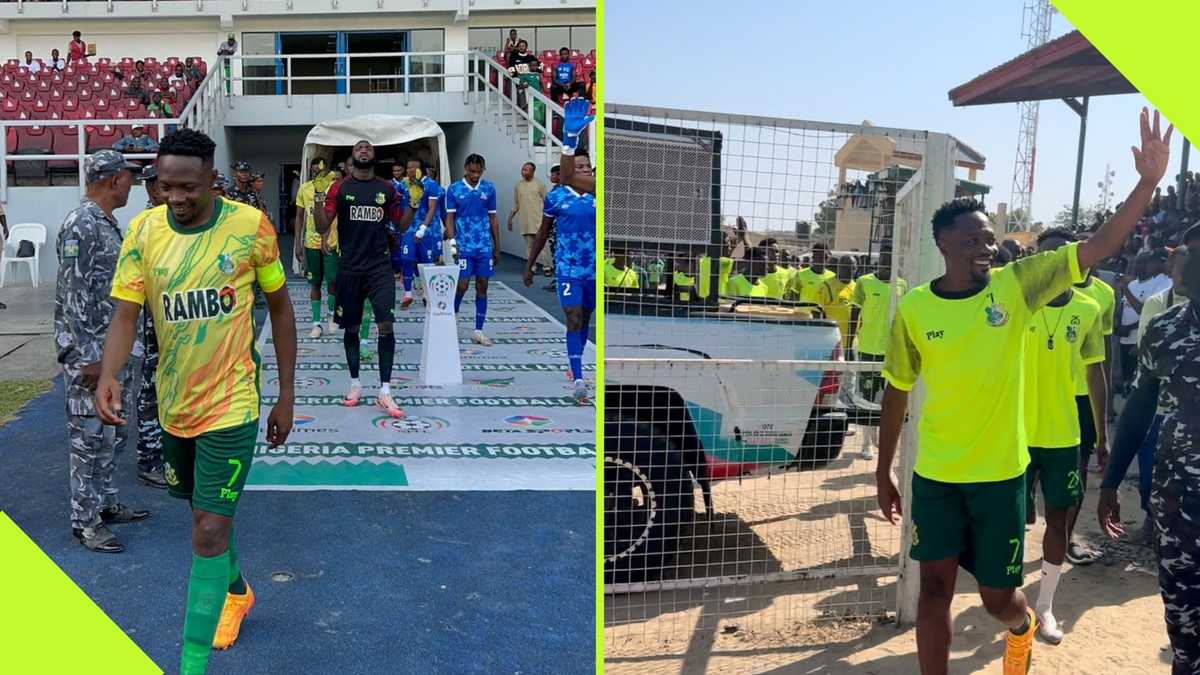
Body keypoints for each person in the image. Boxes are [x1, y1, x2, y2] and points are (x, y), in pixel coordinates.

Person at [876, 108, 1171, 675]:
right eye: (974, 239)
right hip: (936, 474)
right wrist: (884, 468)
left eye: (991, 238)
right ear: (943, 242)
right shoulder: (914, 308)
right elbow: (896, 391)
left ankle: (1022, 624)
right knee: (933, 591)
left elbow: (1099, 245)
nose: (987, 246)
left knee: (996, 599)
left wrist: (1147, 183)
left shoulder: (1017, 286)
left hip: (999, 476)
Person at [96, 129, 296, 674]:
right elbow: (125, 314)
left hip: (233, 402)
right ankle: (236, 590)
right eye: (164, 188)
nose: (175, 198)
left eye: (188, 187)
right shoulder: (142, 231)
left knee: (207, 529)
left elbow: (279, 308)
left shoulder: (251, 229)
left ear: (213, 178)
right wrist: (108, 374)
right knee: (200, 512)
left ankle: (190, 664)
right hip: (174, 402)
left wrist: (286, 395)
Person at [1097, 224, 1200, 675]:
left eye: (1194, 255)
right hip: (1178, 502)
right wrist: (1111, 482)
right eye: (1182, 255)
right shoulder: (1163, 328)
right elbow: (1139, 409)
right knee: (1182, 622)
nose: (1182, 264)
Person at [54, 149, 148, 554]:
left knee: (110, 434)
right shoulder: (81, 224)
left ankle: (105, 502)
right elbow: (74, 296)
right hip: (90, 356)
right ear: (113, 180)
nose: (133, 183)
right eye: (129, 176)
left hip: (111, 351)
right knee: (87, 438)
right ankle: (85, 521)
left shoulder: (106, 223)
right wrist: (91, 357)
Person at [1019, 227, 1108, 644]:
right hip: (1014, 433)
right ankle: (1008, 600)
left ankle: (1046, 607)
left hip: (1063, 435)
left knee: (1059, 518)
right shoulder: (1016, 303)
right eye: (1047, 255)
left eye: (1063, 254)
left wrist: (1103, 435)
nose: (1055, 262)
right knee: (1009, 520)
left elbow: (1095, 371)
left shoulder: (1089, 309)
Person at [313, 140, 406, 418]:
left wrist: (413, 203)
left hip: (380, 267)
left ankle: (385, 391)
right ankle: (355, 384)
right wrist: (318, 199)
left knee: (386, 325)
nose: (364, 150)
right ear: (352, 157)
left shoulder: (387, 188)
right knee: (351, 329)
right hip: (350, 267)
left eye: (368, 147)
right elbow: (321, 226)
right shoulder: (339, 188)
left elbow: (401, 224)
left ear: (374, 156)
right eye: (358, 148)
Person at [1129, 234, 1195, 544]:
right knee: (1150, 470)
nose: (1176, 270)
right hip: (1161, 414)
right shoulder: (1161, 313)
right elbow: (1146, 376)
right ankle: (1150, 515)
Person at [523, 152, 595, 403]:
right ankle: (578, 377)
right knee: (573, 317)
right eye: (579, 166)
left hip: (594, 271)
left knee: (585, 318)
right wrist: (529, 264)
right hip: (568, 270)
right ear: (569, 171)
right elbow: (543, 233)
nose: (586, 169)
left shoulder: (599, 193)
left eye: (588, 165)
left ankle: (577, 358)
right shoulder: (556, 197)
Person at [1062, 244, 1117, 564]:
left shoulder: (1104, 295)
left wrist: (1104, 408)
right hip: (1041, 395)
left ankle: (1066, 540)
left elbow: (1103, 354)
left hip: (1083, 399)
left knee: (1077, 471)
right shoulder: (1048, 291)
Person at [134, 164, 167, 489]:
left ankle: (165, 454)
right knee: (150, 394)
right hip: (152, 325)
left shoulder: (166, 219)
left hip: (169, 323)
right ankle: (150, 459)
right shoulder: (145, 224)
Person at [444, 154, 500, 347]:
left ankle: (479, 330)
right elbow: (450, 219)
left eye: (479, 171)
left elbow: (493, 218)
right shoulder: (454, 189)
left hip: (484, 247)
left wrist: (497, 247)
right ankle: (454, 314)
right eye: (472, 171)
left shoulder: (489, 188)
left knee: (482, 286)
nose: (475, 175)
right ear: (466, 168)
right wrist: (452, 243)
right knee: (462, 285)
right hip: (464, 246)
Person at [294, 157, 339, 338]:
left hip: (330, 243)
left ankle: (331, 315)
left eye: (319, 170)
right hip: (310, 243)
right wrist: (297, 243)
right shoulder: (304, 189)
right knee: (315, 283)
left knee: (333, 281)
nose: (316, 173)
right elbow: (299, 217)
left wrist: (326, 237)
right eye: (313, 171)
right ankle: (316, 324)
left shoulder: (335, 187)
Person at [1116, 249, 1172, 394]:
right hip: (1125, 337)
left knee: (1141, 380)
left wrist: (1125, 290)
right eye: (1136, 262)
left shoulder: (1163, 283)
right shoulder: (1133, 283)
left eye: (1143, 262)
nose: (1138, 265)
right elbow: (1124, 305)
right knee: (1127, 374)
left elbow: (1147, 312)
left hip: (1139, 339)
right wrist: (1119, 324)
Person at [508, 161, 549, 275]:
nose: (523, 171)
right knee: (529, 246)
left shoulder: (540, 184)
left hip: (538, 220)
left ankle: (547, 267)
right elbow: (516, 204)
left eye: (526, 169)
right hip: (525, 221)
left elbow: (547, 202)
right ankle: (532, 267)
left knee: (542, 245)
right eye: (522, 169)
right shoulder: (518, 185)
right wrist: (510, 219)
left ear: (532, 171)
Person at [820, 255, 857, 351]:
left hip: (852, 343)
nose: (849, 270)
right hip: (832, 342)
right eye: (845, 267)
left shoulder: (857, 288)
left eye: (852, 267)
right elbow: (818, 313)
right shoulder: (827, 286)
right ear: (839, 267)